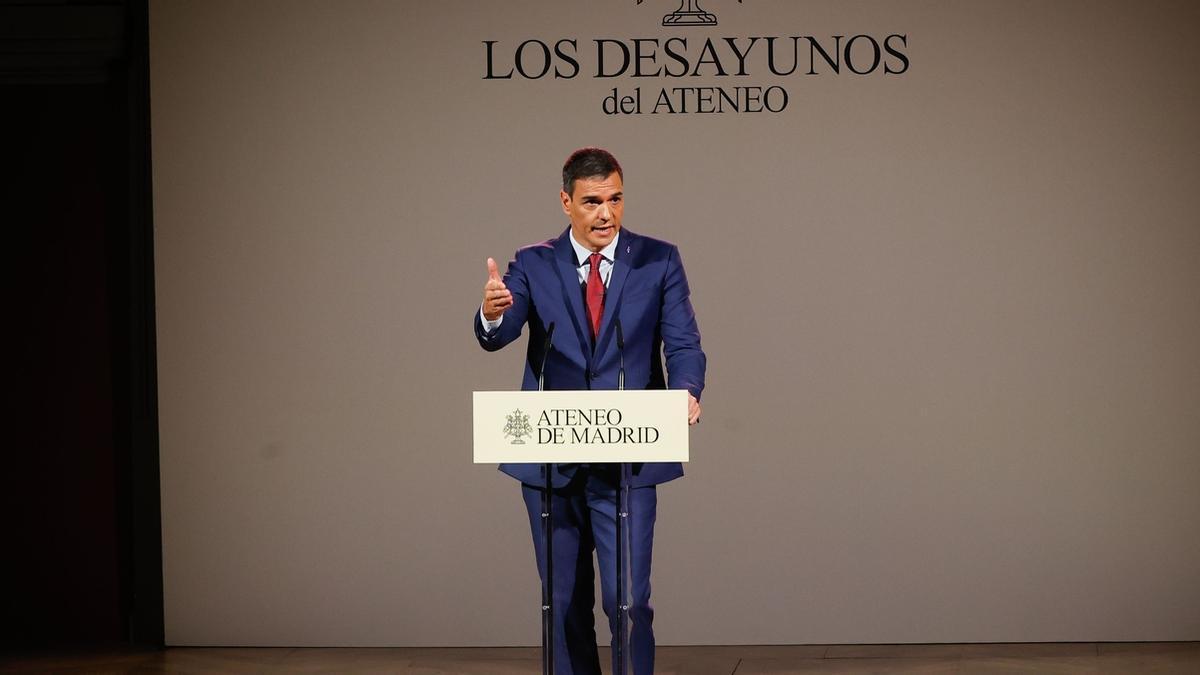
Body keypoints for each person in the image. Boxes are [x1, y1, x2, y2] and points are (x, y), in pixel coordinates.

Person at [475, 147, 705, 675]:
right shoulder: (533, 263)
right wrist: (491, 314)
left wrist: (687, 389)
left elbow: (684, 343)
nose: (607, 213)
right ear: (566, 202)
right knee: (564, 605)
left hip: (630, 456)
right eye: (593, 201)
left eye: (616, 199)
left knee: (628, 602)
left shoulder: (658, 259)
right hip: (551, 460)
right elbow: (501, 333)